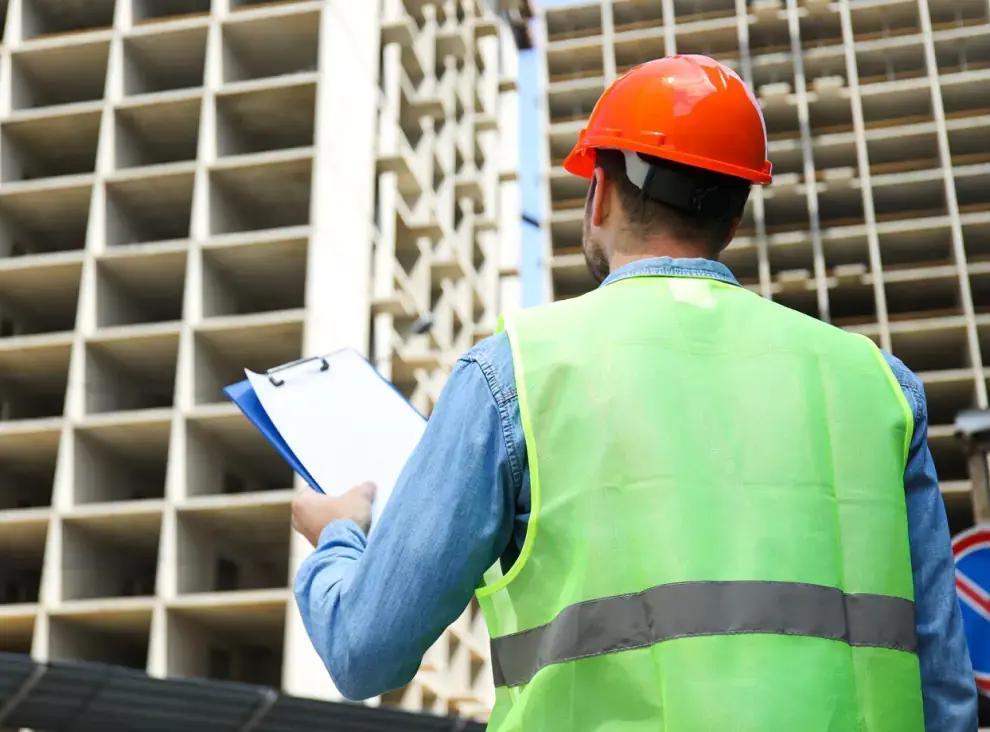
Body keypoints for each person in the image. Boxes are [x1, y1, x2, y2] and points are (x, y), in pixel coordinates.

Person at [290, 55, 977, 731]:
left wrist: (339, 536)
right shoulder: (878, 385)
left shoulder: (516, 374)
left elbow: (364, 652)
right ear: (733, 218)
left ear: (602, 193)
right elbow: (944, 692)